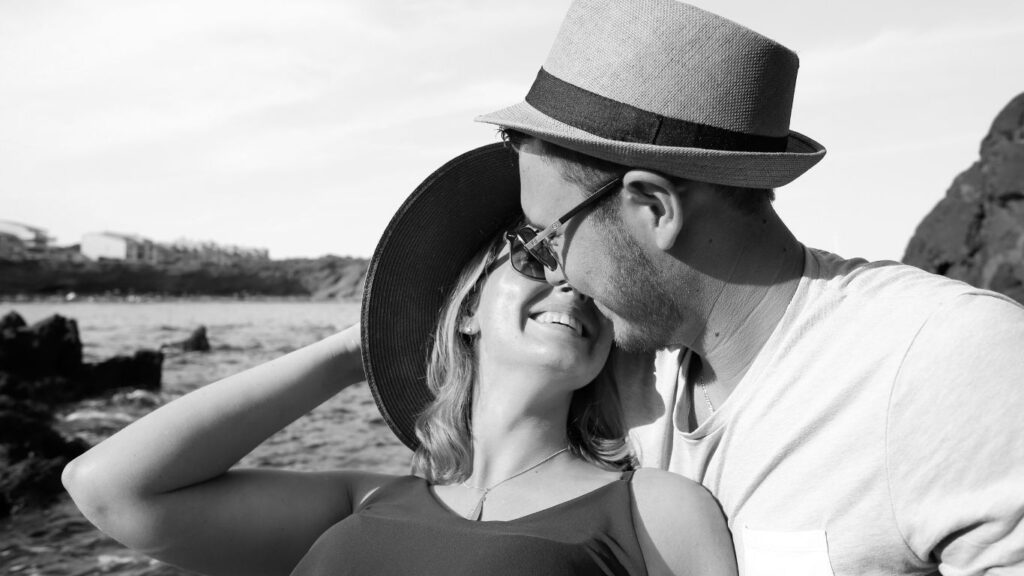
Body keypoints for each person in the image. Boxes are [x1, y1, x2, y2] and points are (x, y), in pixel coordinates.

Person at [467, 0, 1024, 574]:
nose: (554, 270)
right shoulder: (625, 374)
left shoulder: (941, 364)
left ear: (655, 208)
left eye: (554, 236)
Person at [62, 145, 737, 576]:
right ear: (466, 309)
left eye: (590, 280)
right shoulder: (363, 500)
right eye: (536, 257)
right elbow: (109, 488)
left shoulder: (650, 509)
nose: (570, 284)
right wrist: (356, 348)